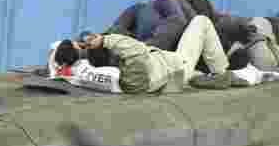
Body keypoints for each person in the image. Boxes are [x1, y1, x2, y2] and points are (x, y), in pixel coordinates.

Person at [72, 15, 234, 92]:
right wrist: (104, 40)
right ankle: (221, 74)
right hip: (180, 65)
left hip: (168, 72)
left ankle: (202, 76)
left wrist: (79, 50)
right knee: (201, 21)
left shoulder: (112, 73)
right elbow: (134, 48)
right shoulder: (133, 71)